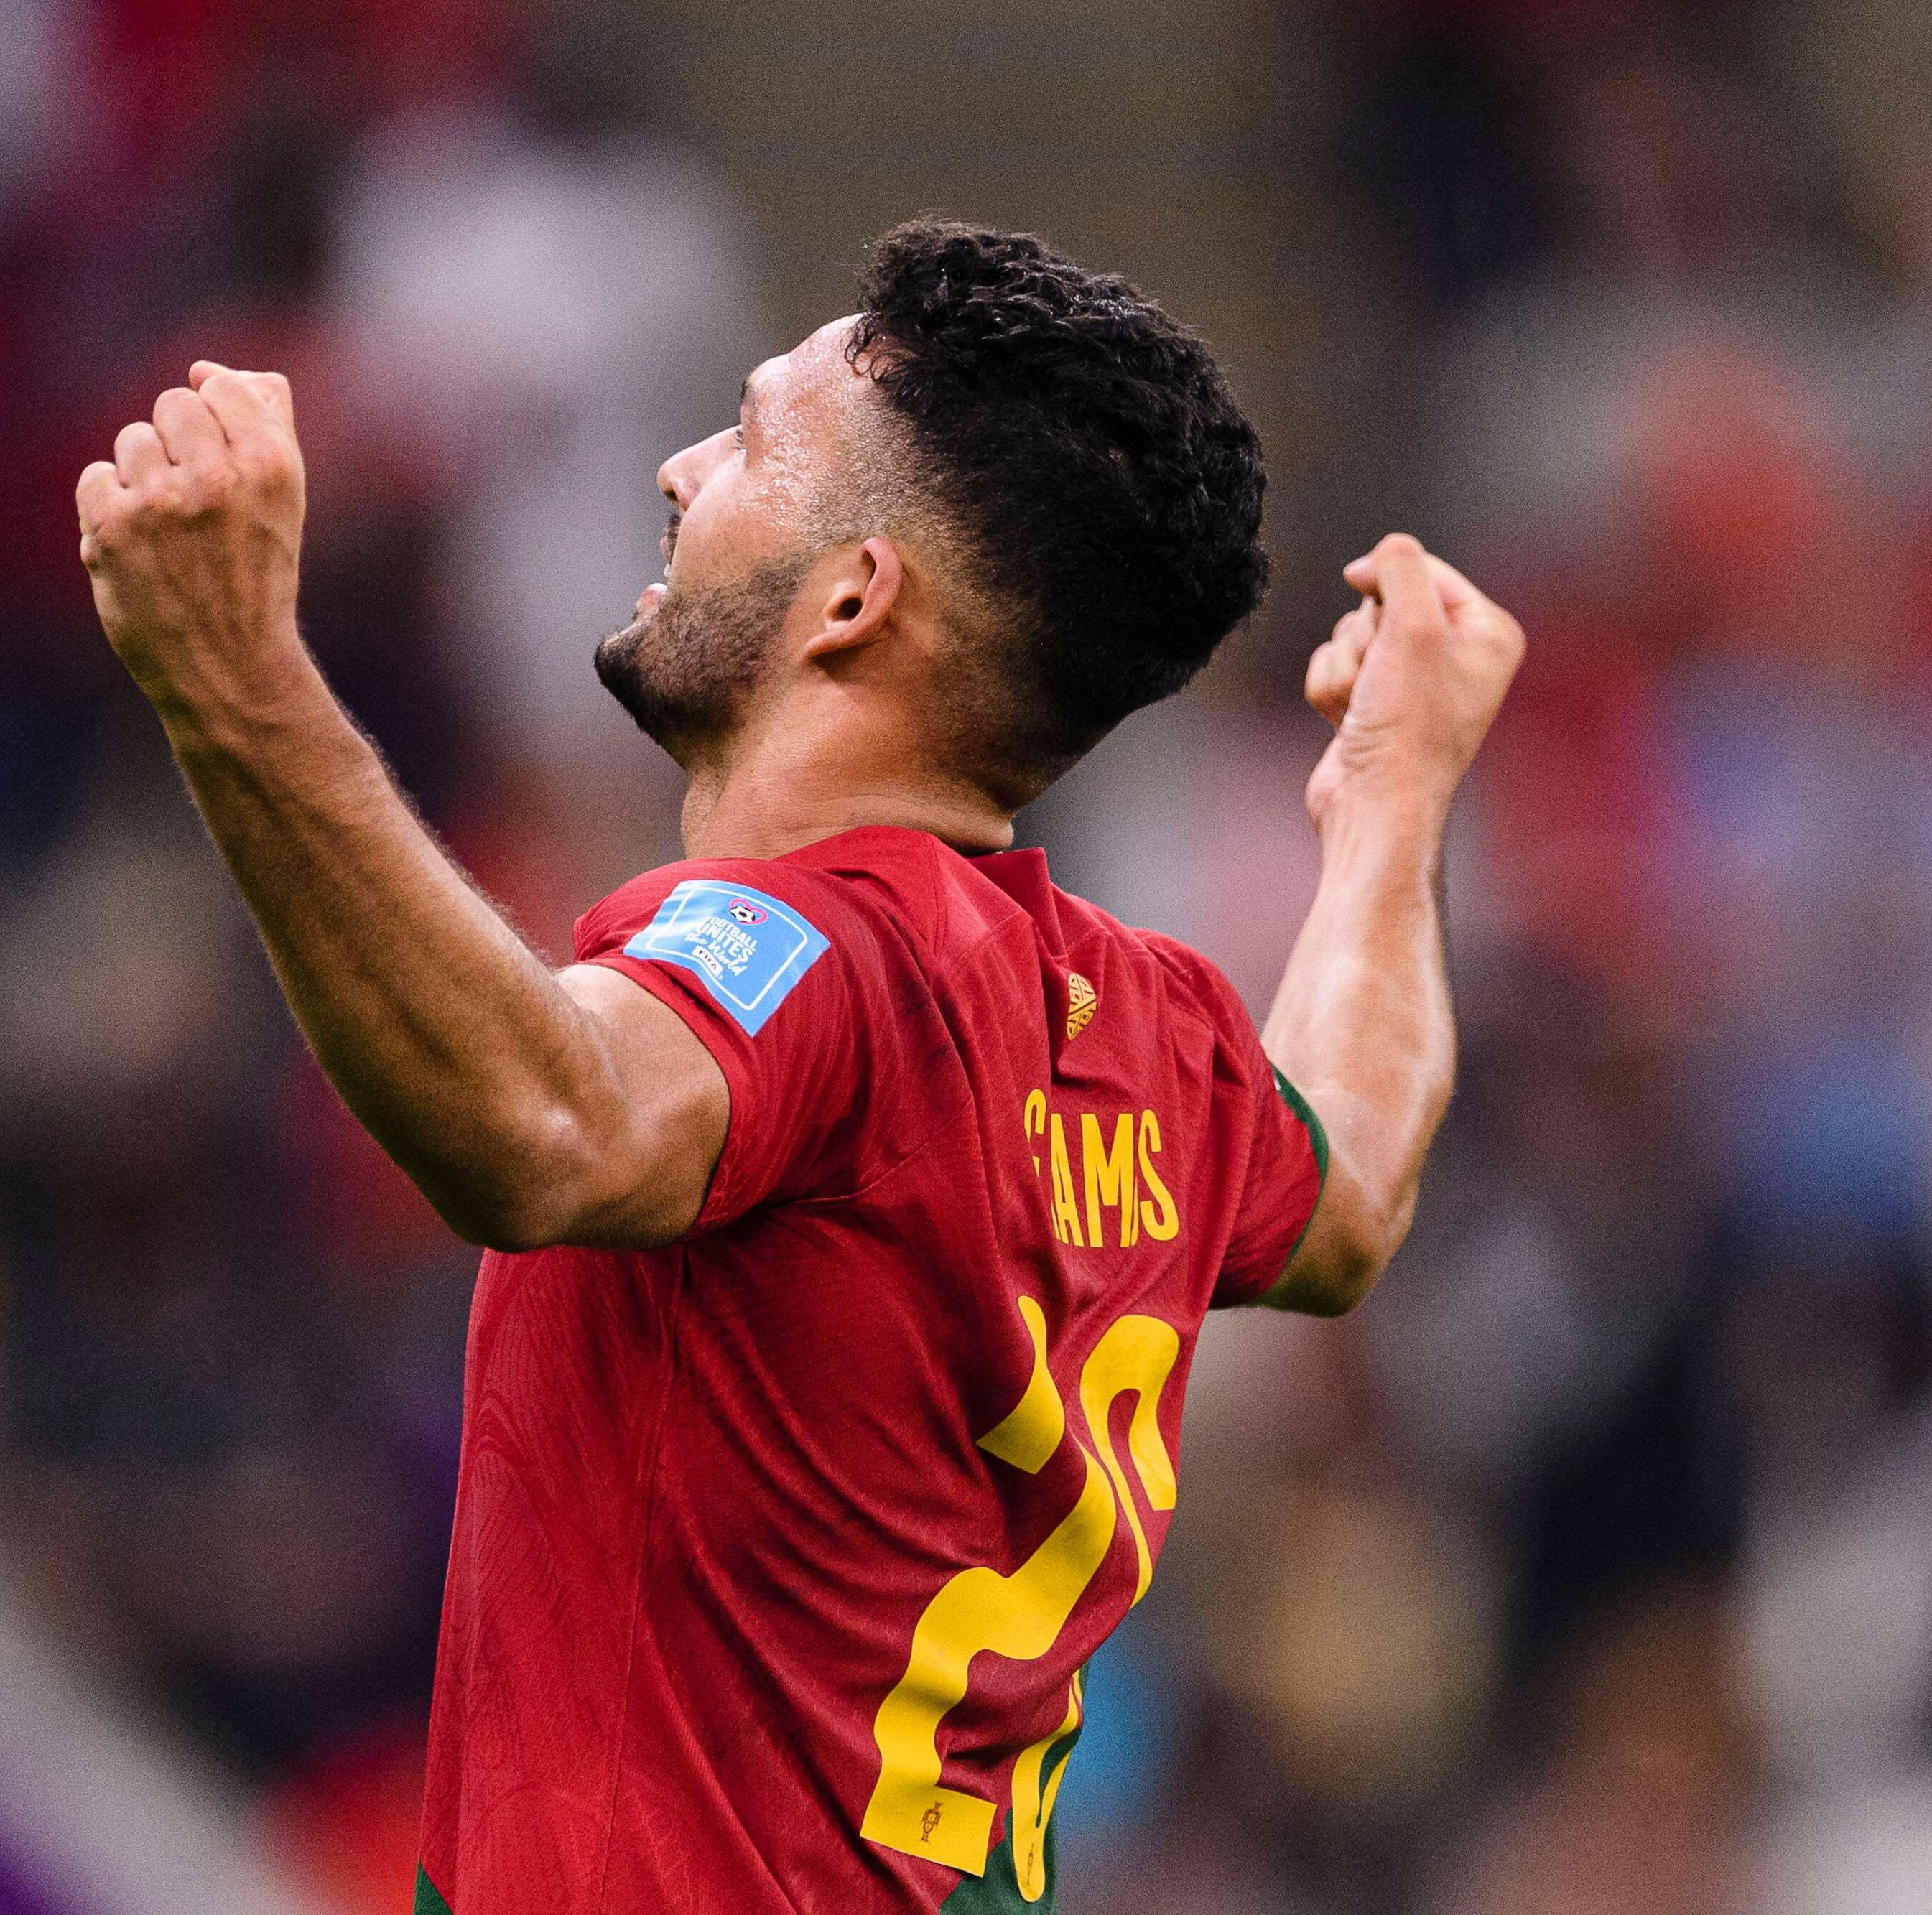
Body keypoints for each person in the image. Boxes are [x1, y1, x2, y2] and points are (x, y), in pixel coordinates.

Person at [75, 219, 1522, 1912]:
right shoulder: (1150, 1033)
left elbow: (546, 1122)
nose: (679, 470)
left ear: (853, 597)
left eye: (752, 440)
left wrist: (236, 682)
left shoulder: (819, 955)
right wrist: (1395, 786)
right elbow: (1351, 1178)